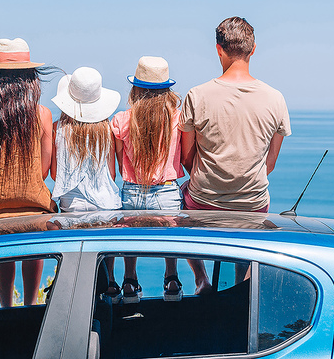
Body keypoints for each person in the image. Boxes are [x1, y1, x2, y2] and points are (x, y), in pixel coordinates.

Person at [179, 17, 291, 293]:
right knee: (252, 229)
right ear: (253, 50)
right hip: (252, 204)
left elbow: (186, 159)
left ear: (219, 50)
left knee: (179, 198)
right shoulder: (275, 98)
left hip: (204, 202)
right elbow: (270, 163)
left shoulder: (197, 95)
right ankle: (243, 284)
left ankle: (201, 279)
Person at [0, 38, 57, 307]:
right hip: (32, 210)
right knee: (34, 229)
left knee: (3, 247)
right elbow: (41, 173)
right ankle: (30, 305)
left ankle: (6, 308)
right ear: (30, 78)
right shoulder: (42, 114)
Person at [112, 56, 186, 302]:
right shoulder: (177, 118)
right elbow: (183, 156)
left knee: (129, 240)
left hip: (133, 190)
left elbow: (121, 159)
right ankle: (172, 280)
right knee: (170, 242)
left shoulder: (123, 120)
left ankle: (130, 281)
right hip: (166, 191)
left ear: (135, 88)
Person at [50, 66, 122, 297]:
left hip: (73, 207)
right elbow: (111, 173)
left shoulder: (58, 129)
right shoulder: (106, 129)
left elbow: (54, 174)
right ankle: (110, 280)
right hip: (106, 204)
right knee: (104, 252)